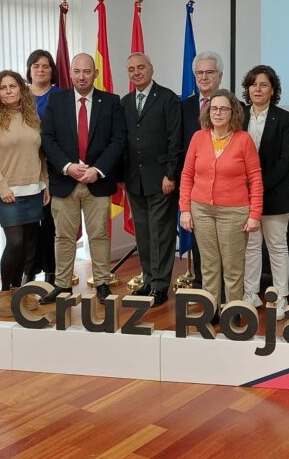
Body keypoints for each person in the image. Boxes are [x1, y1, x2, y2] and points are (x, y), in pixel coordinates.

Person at [40, 53, 126, 305]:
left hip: (97, 182)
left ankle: (101, 283)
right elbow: (48, 138)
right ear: (72, 73)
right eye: (77, 71)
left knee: (99, 235)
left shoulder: (111, 102)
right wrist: (67, 166)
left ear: (95, 74)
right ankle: (62, 286)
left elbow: (118, 140)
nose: (81, 76)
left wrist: (97, 170)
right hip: (65, 181)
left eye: (87, 71)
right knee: (63, 237)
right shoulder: (57, 101)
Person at [180, 89, 263, 314]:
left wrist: (255, 214)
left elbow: (255, 178)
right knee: (208, 266)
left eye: (223, 108)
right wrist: (185, 210)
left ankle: (233, 312)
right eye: (214, 108)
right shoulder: (198, 137)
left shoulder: (243, 140)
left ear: (233, 111)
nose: (218, 113)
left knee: (233, 268)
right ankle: (212, 310)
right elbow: (187, 174)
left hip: (234, 212)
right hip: (201, 210)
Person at [0, 70, 48, 318]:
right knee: (15, 242)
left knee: (29, 246)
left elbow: (41, 153)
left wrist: (45, 184)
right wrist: (3, 187)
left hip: (33, 189)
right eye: (3, 87)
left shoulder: (31, 116)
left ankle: (20, 293)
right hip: (5, 192)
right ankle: (6, 293)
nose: (8, 91)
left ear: (21, 89)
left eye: (12, 86)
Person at [122, 53, 182, 306]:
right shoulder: (124, 102)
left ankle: (160, 285)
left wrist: (170, 174)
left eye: (141, 67)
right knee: (144, 234)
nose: (136, 72)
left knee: (162, 233)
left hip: (161, 180)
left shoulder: (167, 98)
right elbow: (122, 142)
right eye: (131, 69)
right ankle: (147, 280)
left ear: (151, 68)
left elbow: (175, 139)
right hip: (134, 180)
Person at [241, 66, 289, 321]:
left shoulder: (284, 118)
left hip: (275, 193)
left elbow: (287, 159)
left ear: (273, 89)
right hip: (243, 194)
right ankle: (251, 294)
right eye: (253, 85)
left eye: (264, 85)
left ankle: (280, 296)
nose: (258, 89)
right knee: (251, 247)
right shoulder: (238, 116)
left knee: (276, 246)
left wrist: (259, 185)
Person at [180, 50, 224, 289]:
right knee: (200, 240)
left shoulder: (233, 106)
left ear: (220, 75)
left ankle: (225, 291)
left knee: (224, 243)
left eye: (209, 72)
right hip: (196, 186)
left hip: (225, 188)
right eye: (199, 72)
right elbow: (178, 145)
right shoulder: (184, 105)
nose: (204, 77)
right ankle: (201, 286)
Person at [25, 49, 61, 285]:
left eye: (45, 66)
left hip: (53, 168)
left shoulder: (60, 96)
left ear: (52, 70)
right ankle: (29, 269)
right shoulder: (19, 95)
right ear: (29, 70)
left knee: (50, 223)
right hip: (25, 167)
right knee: (27, 223)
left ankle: (51, 269)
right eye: (36, 66)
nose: (40, 70)